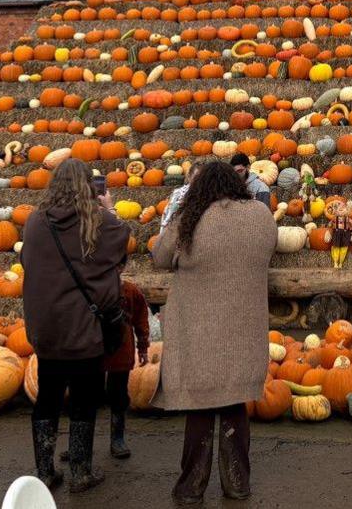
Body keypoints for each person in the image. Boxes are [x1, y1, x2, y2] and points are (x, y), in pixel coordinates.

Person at [152, 161, 276, 503]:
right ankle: (237, 483)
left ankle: (191, 487)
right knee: (236, 404)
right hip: (245, 331)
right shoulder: (260, 216)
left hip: (200, 332)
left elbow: (161, 256)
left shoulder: (192, 219)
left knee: (201, 409)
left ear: (200, 188)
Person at [22, 158, 130, 492]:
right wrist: (108, 209)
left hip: (47, 328)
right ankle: (81, 472)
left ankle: (45, 471)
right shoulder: (98, 222)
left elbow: (26, 261)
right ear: (88, 186)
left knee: (48, 397)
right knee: (85, 398)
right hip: (84, 327)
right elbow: (122, 243)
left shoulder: (36, 222)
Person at [60, 277, 149, 463]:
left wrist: (142, 346)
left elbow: (141, 320)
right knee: (88, 397)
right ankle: (81, 443)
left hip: (121, 353)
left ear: (122, 268)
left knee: (118, 395)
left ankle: (117, 438)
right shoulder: (89, 289)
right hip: (94, 352)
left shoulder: (131, 291)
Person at [161, 162, 202, 228]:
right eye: (196, 178)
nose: (200, 181)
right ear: (189, 177)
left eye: (203, 178)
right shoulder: (179, 194)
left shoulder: (211, 195)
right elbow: (168, 220)